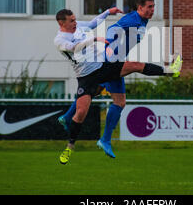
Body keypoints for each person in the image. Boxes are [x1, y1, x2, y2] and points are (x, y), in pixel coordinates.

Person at [54, 8, 182, 165]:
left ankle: (170, 71)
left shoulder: (77, 26)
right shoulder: (59, 40)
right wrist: (95, 40)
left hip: (102, 67)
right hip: (86, 77)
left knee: (134, 65)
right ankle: (70, 147)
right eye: (71, 20)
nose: (75, 22)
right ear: (62, 23)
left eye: (75, 19)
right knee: (80, 113)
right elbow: (75, 48)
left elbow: (93, 23)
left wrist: (108, 12)